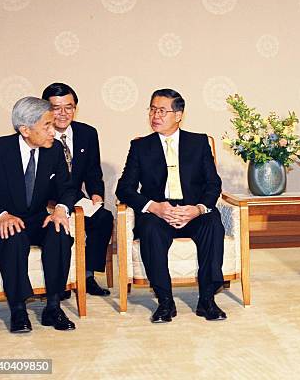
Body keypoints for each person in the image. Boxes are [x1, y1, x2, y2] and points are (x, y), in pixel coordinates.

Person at [116, 88, 226, 322]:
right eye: (152, 110)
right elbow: (124, 189)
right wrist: (155, 207)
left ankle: (207, 300)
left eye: (162, 111)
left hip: (192, 210)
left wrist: (198, 209)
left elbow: (213, 184)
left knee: (213, 224)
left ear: (178, 115)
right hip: (158, 212)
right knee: (150, 229)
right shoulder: (140, 147)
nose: (155, 115)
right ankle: (165, 302)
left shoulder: (198, 143)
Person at [0, 97, 77, 332]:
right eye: (47, 125)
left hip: (36, 219)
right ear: (25, 130)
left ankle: (53, 307)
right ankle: (18, 309)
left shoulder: (54, 150)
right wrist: (1, 215)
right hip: (1, 221)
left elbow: (67, 188)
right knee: (13, 237)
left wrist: (59, 209)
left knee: (60, 233)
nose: (53, 132)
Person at [42, 83, 113, 297]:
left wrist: (96, 194)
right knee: (57, 229)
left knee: (103, 218)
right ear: (46, 110)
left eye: (69, 107)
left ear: (75, 108)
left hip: (75, 197)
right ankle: (59, 282)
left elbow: (93, 171)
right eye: (56, 108)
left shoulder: (87, 133)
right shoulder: (39, 134)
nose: (63, 114)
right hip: (46, 200)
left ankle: (87, 276)